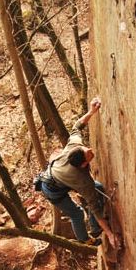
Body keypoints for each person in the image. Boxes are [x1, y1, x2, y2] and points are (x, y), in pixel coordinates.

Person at [39, 98, 117, 248]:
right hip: (52, 190)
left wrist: (91, 111)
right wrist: (110, 234)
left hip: (59, 176)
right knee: (77, 214)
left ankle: (95, 228)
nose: (89, 149)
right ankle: (85, 239)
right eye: (88, 154)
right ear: (83, 164)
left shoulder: (75, 146)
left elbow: (77, 126)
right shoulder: (82, 180)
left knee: (99, 188)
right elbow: (95, 208)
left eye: (85, 149)